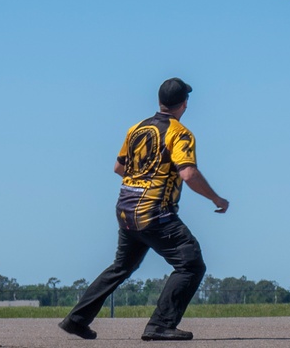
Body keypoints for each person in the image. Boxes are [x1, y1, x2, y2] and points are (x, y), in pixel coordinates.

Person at [59, 77, 229, 343]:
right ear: (184, 103)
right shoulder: (179, 133)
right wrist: (216, 199)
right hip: (154, 212)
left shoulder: (136, 129)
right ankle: (161, 324)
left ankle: (76, 320)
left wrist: (142, 177)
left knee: (121, 267)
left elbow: (119, 168)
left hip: (126, 209)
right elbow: (188, 173)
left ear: (160, 101)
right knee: (191, 264)